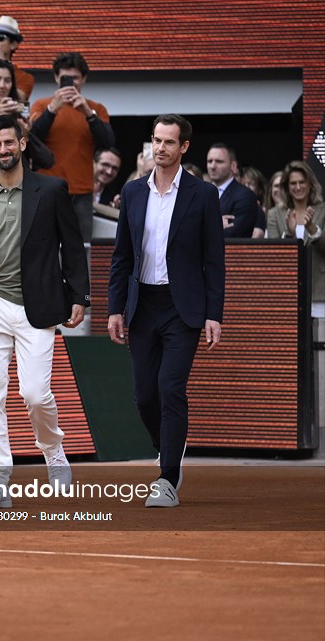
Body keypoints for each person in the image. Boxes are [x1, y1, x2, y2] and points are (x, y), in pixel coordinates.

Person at [0, 113, 89, 508]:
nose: (4, 150)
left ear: (23, 144)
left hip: (37, 306)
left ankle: (54, 453)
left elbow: (72, 246)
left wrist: (78, 296)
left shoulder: (53, 189)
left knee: (35, 394)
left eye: (10, 142)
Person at [107, 114, 225, 508]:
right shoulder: (134, 192)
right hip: (142, 305)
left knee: (170, 388)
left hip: (182, 308)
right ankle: (167, 444)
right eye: (156, 141)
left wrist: (214, 314)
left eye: (169, 142)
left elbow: (214, 260)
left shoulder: (203, 195)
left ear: (184, 147)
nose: (160, 148)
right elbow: (121, 257)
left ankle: (168, 476)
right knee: (144, 395)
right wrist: (115, 308)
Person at [29, 52, 114, 243]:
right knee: (46, 247)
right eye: (66, 78)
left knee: (80, 250)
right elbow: (33, 138)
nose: (71, 83)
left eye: (75, 78)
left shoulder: (95, 108)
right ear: (56, 78)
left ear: (83, 79)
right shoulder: (42, 105)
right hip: (46, 190)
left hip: (81, 192)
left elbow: (107, 142)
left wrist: (87, 112)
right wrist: (52, 109)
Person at [266, 160, 324, 317]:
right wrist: (289, 236)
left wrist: (313, 229)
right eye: (293, 183)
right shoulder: (274, 214)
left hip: (319, 292)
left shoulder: (323, 210)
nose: (298, 187)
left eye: (302, 182)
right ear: (287, 187)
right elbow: (272, 254)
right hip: (287, 292)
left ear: (310, 184)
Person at [206, 142, 264, 238]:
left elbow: (232, 235)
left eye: (219, 161)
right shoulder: (199, 193)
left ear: (233, 165)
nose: (213, 166)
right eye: (209, 161)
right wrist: (215, 224)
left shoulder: (245, 195)